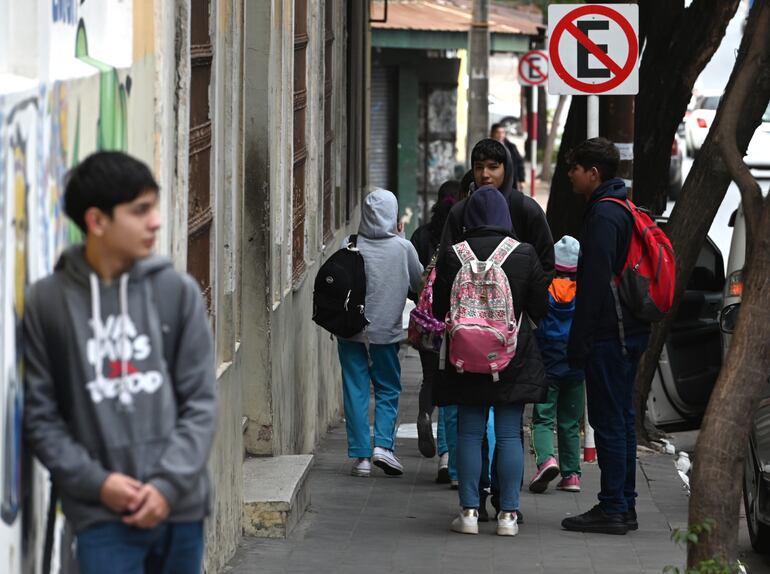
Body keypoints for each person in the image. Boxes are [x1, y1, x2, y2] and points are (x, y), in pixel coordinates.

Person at [23, 151, 217, 573]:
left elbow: (201, 402)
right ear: (97, 222)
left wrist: (166, 487)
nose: (156, 222)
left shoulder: (177, 293)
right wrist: (100, 484)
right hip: (101, 518)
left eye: (154, 207)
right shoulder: (49, 303)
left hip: (179, 509)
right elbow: (41, 419)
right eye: (140, 211)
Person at [441, 138, 555, 520]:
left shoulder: (456, 247)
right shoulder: (522, 253)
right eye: (479, 166)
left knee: (470, 433)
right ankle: (509, 514)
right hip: (513, 352)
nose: (486, 174)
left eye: (493, 166)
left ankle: (470, 513)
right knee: (509, 434)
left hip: (464, 355)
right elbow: (543, 300)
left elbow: (441, 299)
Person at [562, 138, 651, 535]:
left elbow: (594, 284)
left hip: (609, 336)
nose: (570, 175)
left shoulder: (603, 215)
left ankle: (613, 506)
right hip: (630, 331)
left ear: (593, 172)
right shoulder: (624, 207)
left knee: (609, 421)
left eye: (575, 168)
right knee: (623, 420)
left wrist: (578, 341)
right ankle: (624, 504)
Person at [339, 189, 423, 478]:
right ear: (394, 215)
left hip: (350, 331)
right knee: (388, 387)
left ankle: (361, 457)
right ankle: (383, 447)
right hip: (385, 333)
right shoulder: (403, 248)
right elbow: (419, 281)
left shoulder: (349, 244)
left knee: (355, 389)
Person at [529, 235, 585, 495]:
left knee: (542, 418)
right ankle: (571, 474)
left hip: (546, 366)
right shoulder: (584, 294)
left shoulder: (544, 291)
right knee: (570, 421)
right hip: (575, 367)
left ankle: (546, 460)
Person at [410, 181, 459, 463]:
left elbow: (413, 280)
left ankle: (425, 414)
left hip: (427, 320)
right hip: (455, 322)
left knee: (430, 377)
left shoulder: (421, 234)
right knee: (451, 381)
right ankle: (446, 453)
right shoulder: (462, 235)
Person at [491, 122, 526, 192]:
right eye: (498, 132)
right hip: (494, 181)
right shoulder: (487, 147)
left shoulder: (511, 147)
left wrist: (521, 179)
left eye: (502, 132)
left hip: (511, 180)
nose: (500, 135)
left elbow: (519, 162)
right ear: (492, 133)